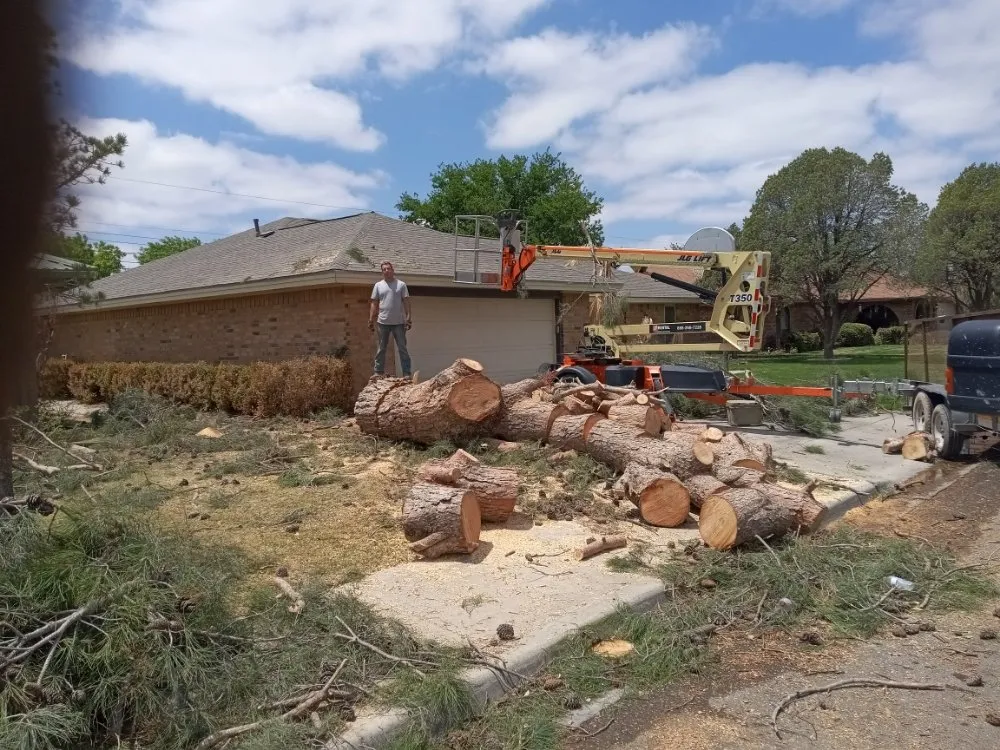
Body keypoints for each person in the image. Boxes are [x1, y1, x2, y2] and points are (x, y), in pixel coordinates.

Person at [368, 261, 413, 377]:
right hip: (382, 322)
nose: (387, 271)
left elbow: (406, 301)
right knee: (381, 348)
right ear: (382, 272)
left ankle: (406, 372)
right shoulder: (378, 285)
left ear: (393, 270)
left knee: (402, 348)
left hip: (399, 322)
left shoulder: (401, 285)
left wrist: (408, 317)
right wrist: (370, 319)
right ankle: (378, 371)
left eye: (389, 269)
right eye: (384, 269)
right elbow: (374, 303)